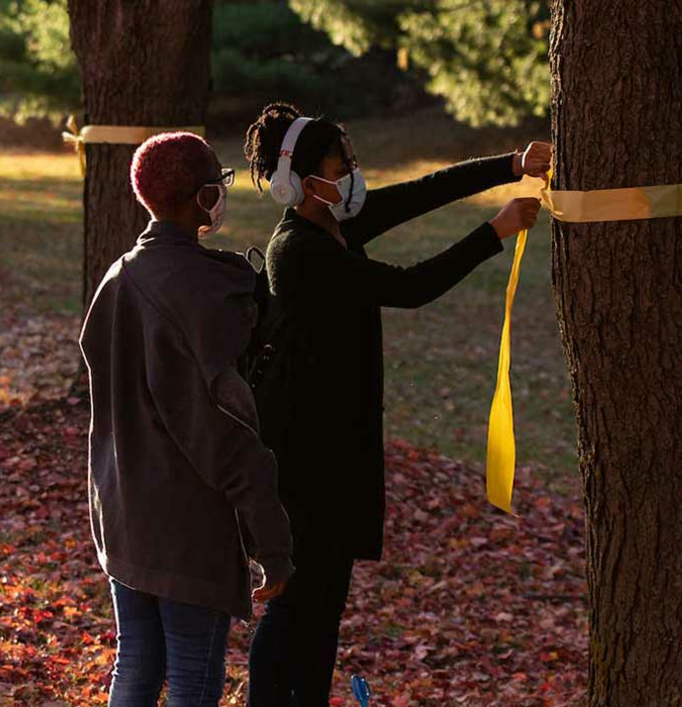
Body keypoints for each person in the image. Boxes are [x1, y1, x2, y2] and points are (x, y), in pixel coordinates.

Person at [237, 102, 548, 705]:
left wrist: (510, 164)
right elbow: (409, 287)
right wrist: (495, 232)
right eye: (340, 164)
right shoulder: (301, 252)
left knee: (324, 605)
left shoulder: (334, 225)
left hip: (335, 455)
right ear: (297, 182)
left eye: (352, 160)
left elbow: (424, 192)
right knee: (296, 605)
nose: (353, 172)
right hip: (303, 463)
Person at [79, 131, 296, 706]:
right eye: (216, 186)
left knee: (138, 664)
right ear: (201, 198)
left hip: (122, 509)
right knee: (194, 681)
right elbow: (225, 432)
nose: (221, 195)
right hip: (186, 525)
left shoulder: (117, 277)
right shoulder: (205, 292)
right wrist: (272, 544)